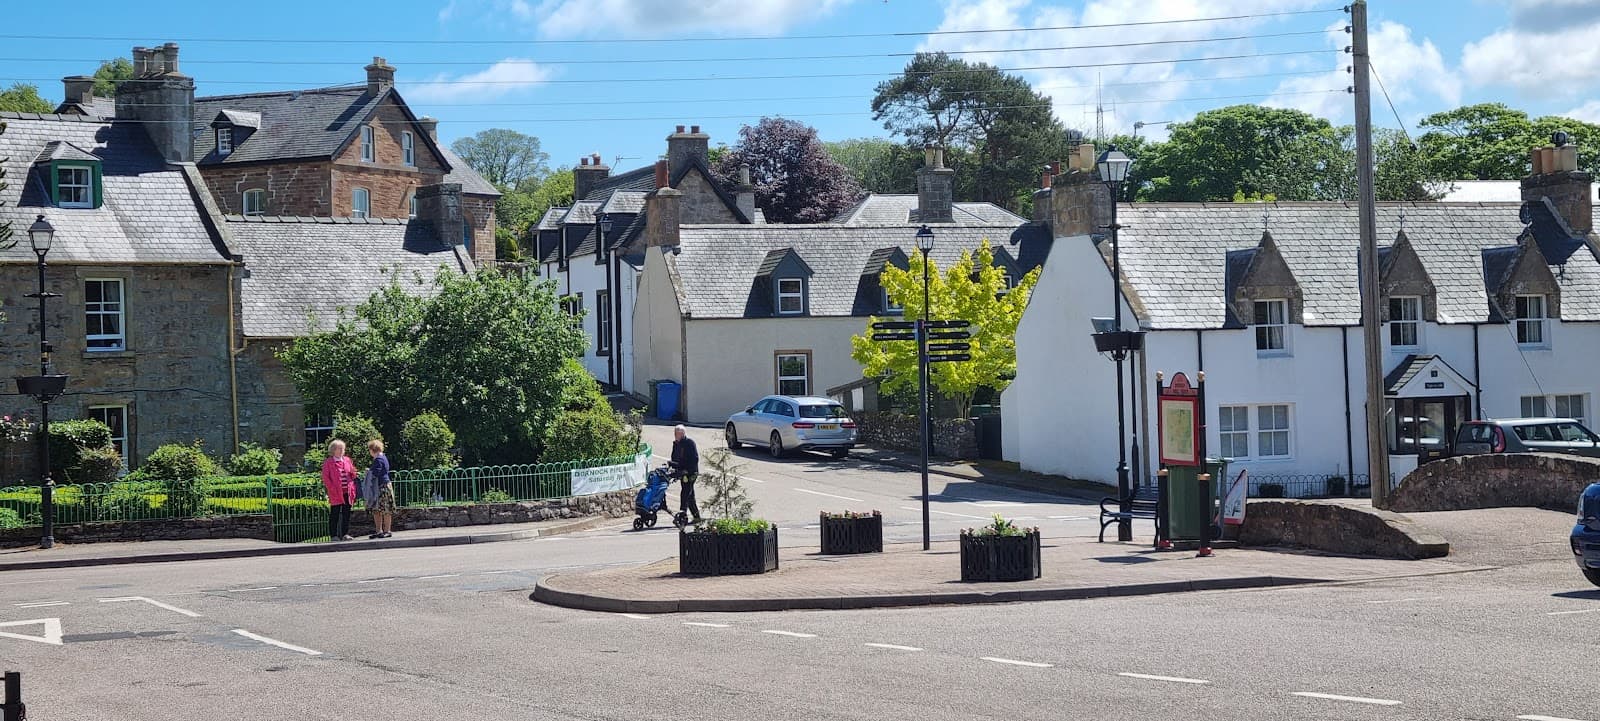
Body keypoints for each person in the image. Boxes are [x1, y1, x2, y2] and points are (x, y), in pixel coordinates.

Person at [321, 439, 357, 541]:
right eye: (339, 449)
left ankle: (345, 533)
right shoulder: (328, 462)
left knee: (347, 513)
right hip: (336, 493)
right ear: (333, 450)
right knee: (335, 514)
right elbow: (325, 477)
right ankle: (334, 535)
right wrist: (332, 488)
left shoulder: (347, 460)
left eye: (343, 449)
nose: (342, 451)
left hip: (347, 492)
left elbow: (352, 472)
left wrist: (353, 473)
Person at [364, 439, 396, 539]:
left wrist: (368, 472)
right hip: (383, 485)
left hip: (382, 486)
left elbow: (376, 473)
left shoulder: (378, 459)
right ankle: (380, 531)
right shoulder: (383, 457)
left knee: (384, 509)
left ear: (373, 450)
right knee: (378, 509)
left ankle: (386, 530)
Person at [669, 424, 701, 523]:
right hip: (681, 472)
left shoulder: (689, 443)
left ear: (682, 434)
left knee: (685, 493)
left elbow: (695, 459)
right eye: (675, 433)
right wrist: (673, 467)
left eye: (677, 433)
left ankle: (682, 514)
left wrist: (688, 470)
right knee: (690, 495)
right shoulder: (676, 444)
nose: (675, 435)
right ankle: (696, 517)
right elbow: (674, 458)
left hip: (691, 473)